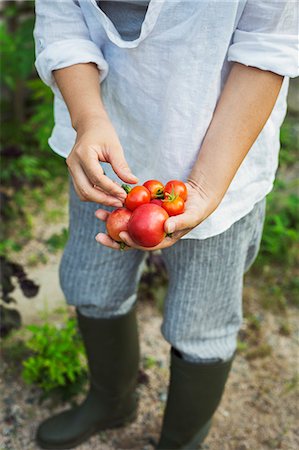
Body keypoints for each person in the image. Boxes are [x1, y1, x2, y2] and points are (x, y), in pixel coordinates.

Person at [33, 1, 298, 449]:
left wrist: (207, 186)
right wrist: (89, 119)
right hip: (109, 156)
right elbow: (61, 16)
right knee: (92, 285)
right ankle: (111, 402)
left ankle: (180, 442)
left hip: (220, 162)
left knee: (202, 322)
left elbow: (267, 44)